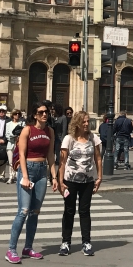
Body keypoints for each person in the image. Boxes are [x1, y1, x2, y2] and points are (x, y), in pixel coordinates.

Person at [6, 102, 57, 264]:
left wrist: (54, 177)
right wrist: (25, 177)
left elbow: (50, 156)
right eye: (41, 112)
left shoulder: (50, 131)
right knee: (23, 210)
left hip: (42, 171)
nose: (44, 114)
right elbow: (21, 154)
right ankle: (11, 249)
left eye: (46, 112)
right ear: (34, 115)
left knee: (35, 212)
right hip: (27, 168)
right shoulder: (27, 130)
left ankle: (28, 247)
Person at [57, 110, 103, 257]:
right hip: (70, 180)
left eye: (88, 121)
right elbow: (62, 162)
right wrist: (60, 181)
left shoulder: (93, 138)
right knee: (69, 211)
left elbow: (98, 159)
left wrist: (99, 177)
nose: (86, 124)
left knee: (85, 211)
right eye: (83, 121)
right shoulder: (69, 139)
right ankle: (66, 242)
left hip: (88, 181)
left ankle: (86, 242)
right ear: (76, 123)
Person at [6, 109, 23, 184]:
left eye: (19, 114)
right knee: (10, 162)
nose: (17, 115)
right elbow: (7, 135)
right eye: (16, 114)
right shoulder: (8, 124)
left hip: (19, 144)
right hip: (11, 144)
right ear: (12, 115)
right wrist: (14, 136)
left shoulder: (22, 123)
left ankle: (17, 176)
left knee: (18, 161)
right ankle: (11, 176)